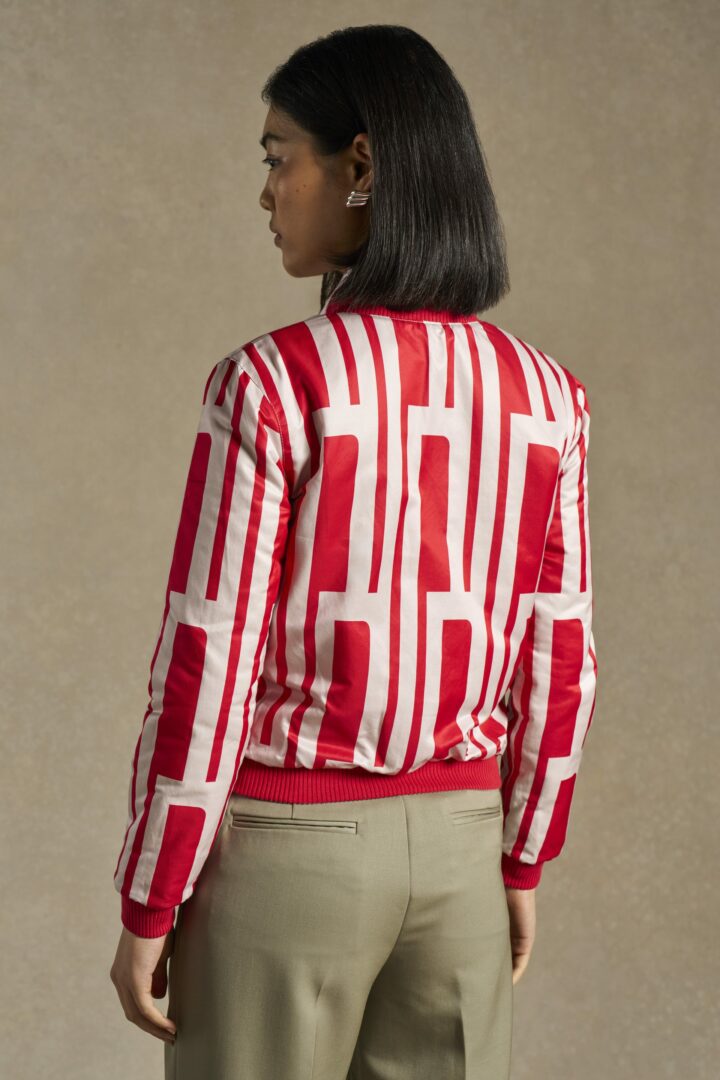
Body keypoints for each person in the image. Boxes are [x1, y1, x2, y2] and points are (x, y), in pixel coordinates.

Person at [109, 24, 597, 1080]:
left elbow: (211, 654)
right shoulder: (547, 397)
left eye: (279, 156)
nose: (266, 190)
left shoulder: (272, 383)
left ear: (361, 164)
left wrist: (152, 893)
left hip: (289, 859)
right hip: (463, 853)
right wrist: (521, 857)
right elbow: (560, 658)